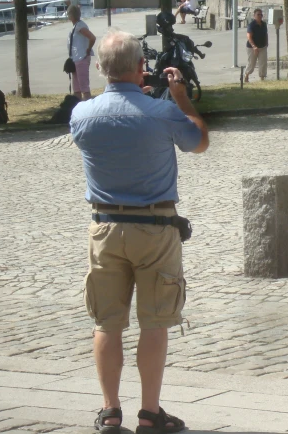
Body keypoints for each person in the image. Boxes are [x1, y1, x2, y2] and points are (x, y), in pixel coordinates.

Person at [70, 29, 209, 434]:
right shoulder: (161, 111)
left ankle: (110, 411)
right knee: (155, 322)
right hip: (155, 227)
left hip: (105, 226)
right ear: (140, 67)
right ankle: (150, 413)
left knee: (107, 322)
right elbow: (198, 141)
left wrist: (133, 90)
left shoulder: (82, 115)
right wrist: (179, 95)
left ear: (99, 68)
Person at [67, 4, 96, 101]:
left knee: (84, 87)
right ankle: (76, 106)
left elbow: (92, 37)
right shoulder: (76, 26)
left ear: (71, 16)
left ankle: (87, 105)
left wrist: (88, 49)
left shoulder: (80, 26)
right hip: (75, 59)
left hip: (81, 58)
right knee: (77, 88)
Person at [245, 8, 268, 83]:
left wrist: (266, 42)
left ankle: (262, 78)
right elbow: (249, 37)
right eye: (258, 14)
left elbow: (266, 34)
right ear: (254, 16)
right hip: (252, 47)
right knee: (251, 63)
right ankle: (246, 76)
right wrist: (254, 47)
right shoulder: (251, 25)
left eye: (261, 14)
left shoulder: (264, 24)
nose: (260, 16)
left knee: (263, 63)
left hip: (262, 47)